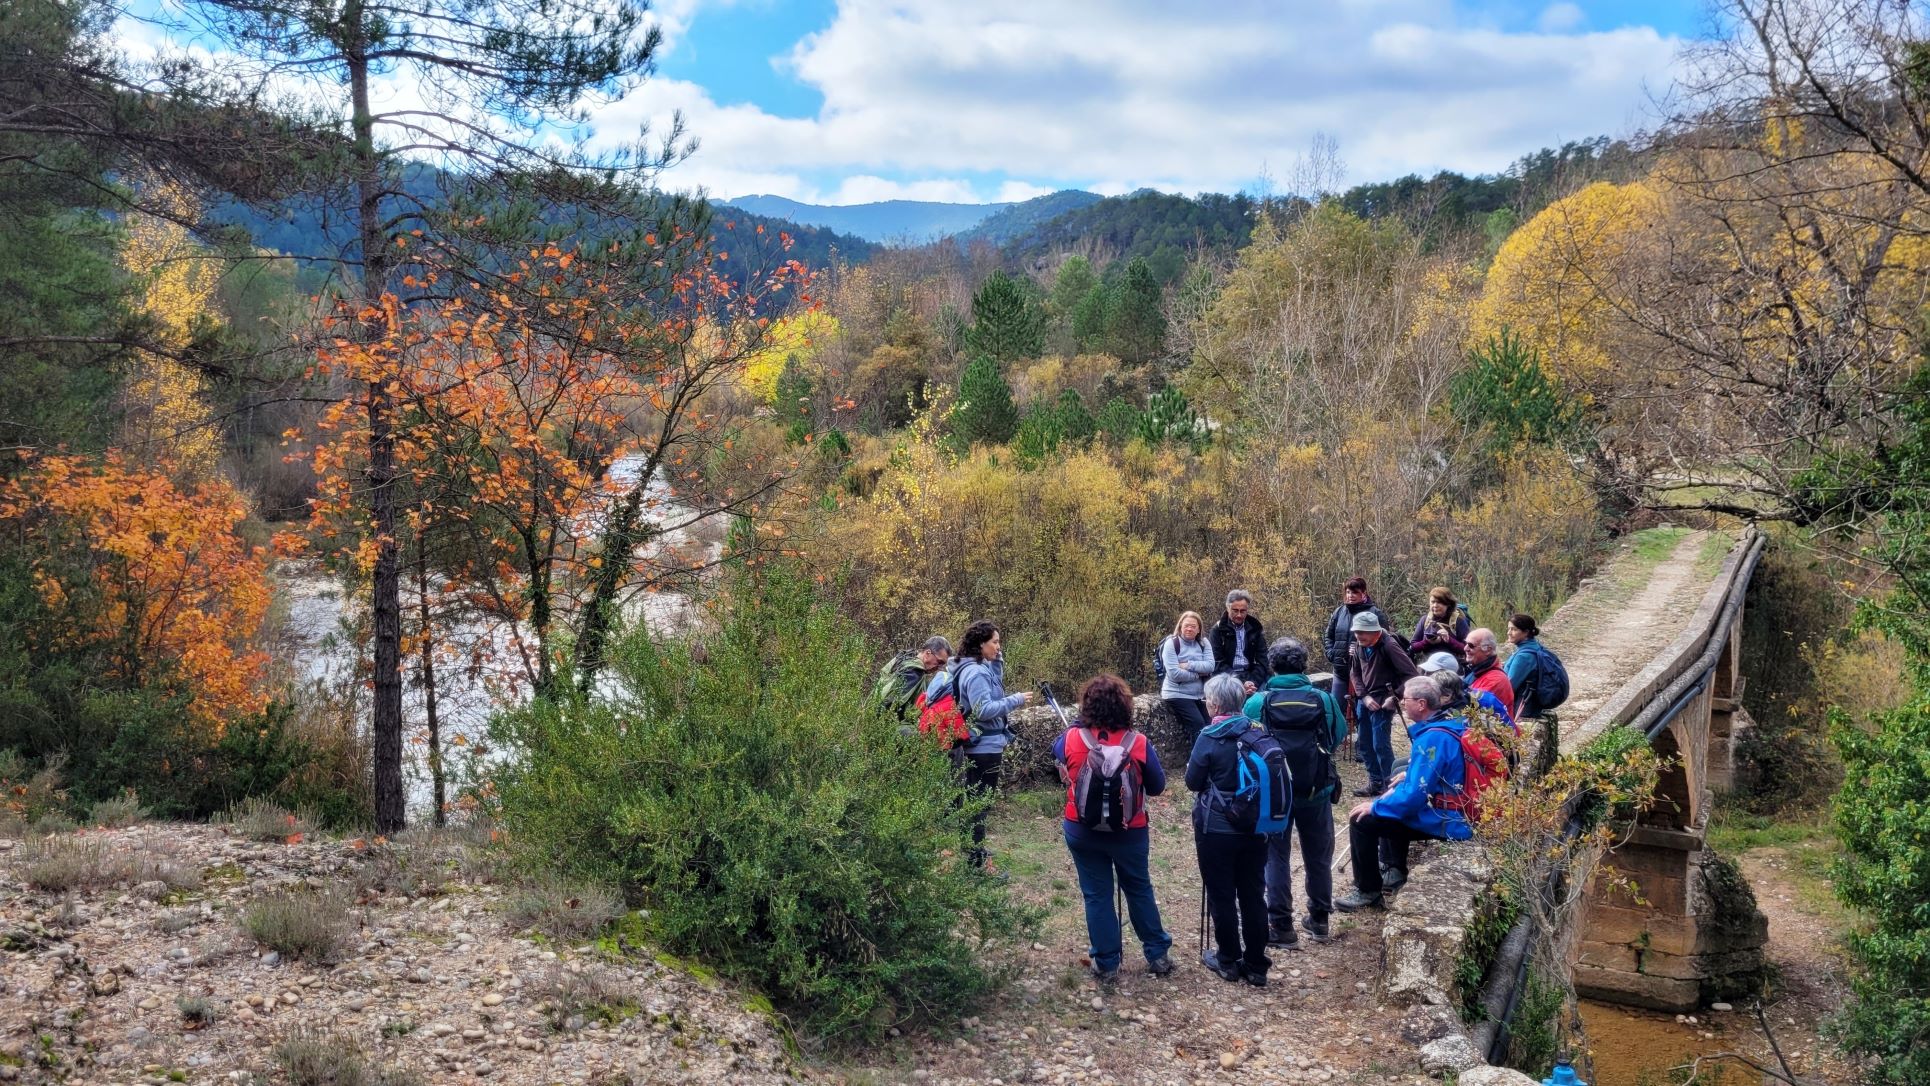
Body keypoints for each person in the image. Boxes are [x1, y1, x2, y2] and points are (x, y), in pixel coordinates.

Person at [1053, 675, 1176, 982]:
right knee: (1138, 887)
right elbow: (1158, 787)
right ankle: (1157, 954)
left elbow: (1059, 757)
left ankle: (1106, 963)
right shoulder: (1138, 743)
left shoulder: (1071, 739)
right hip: (1130, 831)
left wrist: (1075, 728)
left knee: (1097, 894)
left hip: (1082, 830)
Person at [1334, 677, 1474, 910]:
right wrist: (1407, 776)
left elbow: (1412, 798)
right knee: (1391, 799)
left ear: (1421, 704)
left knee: (1363, 820)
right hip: (1459, 812)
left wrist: (1376, 806)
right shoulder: (1452, 723)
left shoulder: (1432, 738)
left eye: (1405, 699)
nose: (1401, 703)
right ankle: (1393, 870)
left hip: (1449, 821)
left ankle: (1368, 891)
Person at [1244, 637, 1345, 946]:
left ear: (1272, 667)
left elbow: (1246, 746)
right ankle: (1319, 921)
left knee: (1276, 855)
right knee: (1318, 855)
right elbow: (1337, 735)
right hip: (1316, 791)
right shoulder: (1324, 700)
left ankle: (1281, 926)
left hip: (1274, 794)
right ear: (1303, 666)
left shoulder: (1258, 702)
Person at [1186, 674, 1272, 986]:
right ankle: (1256, 965)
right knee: (1253, 894)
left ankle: (1228, 960)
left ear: (1215, 704)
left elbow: (1193, 782)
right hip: (1256, 828)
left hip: (1218, 830)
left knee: (1221, 893)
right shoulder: (1258, 731)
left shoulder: (1209, 736)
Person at [954, 620, 1032, 871]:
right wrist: (1016, 700)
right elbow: (984, 709)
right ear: (980, 644)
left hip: (984, 744)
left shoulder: (978, 667)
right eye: (995, 642)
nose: (999, 646)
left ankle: (973, 850)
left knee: (977, 799)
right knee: (980, 802)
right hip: (984, 746)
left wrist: (997, 661)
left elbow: (992, 692)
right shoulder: (976, 672)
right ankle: (974, 860)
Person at [1348, 610, 1418, 796]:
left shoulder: (1390, 645)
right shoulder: (1361, 644)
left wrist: (1394, 697)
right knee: (1364, 743)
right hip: (1366, 701)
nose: (1358, 636)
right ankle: (1376, 783)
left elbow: (1411, 675)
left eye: (1362, 632)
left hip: (1383, 701)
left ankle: (1391, 787)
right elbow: (1354, 673)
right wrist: (1364, 696)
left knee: (1380, 744)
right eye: (1356, 632)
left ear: (1375, 631)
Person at [1321, 577, 1390, 727]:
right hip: (1340, 669)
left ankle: (1362, 744)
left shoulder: (1374, 613)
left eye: (1354, 592)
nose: (1350, 595)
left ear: (1363, 593)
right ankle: (1336, 741)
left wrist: (1362, 648)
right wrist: (1331, 653)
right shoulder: (1339, 612)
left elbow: (1385, 640)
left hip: (1364, 673)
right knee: (1336, 707)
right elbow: (1328, 635)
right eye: (1348, 592)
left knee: (1362, 712)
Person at [1159, 611, 1217, 748]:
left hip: (1198, 695)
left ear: (1198, 629)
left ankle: (1210, 759)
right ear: (1180, 627)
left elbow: (1210, 666)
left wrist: (1188, 665)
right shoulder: (1171, 644)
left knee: (1212, 723)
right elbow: (1175, 674)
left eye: (1193, 626)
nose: (1189, 629)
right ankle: (1196, 762)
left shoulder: (1203, 643)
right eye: (1186, 626)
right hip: (1176, 693)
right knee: (1198, 724)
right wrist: (1198, 674)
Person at [1420, 652, 1515, 733]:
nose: (1424, 676)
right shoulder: (1463, 694)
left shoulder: (1477, 701)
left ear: (1445, 675)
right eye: (1424, 672)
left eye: (1429, 673)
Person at [880, 636, 953, 722]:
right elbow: (890, 704)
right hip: (884, 723)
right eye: (939, 662)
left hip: (870, 711)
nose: (939, 667)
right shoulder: (913, 672)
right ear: (928, 653)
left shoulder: (905, 658)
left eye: (942, 664)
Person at [1209, 590, 1268, 694]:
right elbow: (1217, 663)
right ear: (1227, 608)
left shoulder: (1255, 628)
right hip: (1226, 677)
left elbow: (1263, 660)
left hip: (1252, 676)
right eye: (1235, 611)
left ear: (1247, 610)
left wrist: (1252, 682)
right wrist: (1239, 682)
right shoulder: (1218, 630)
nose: (1239, 615)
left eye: (1243, 611)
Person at [1503, 613, 1550, 720]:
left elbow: (1509, 686)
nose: (1509, 633)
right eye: (1509, 629)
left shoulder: (1524, 657)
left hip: (1523, 708)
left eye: (1514, 629)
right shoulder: (1534, 646)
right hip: (1530, 705)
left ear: (1526, 632)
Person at [1408, 587, 1470, 665]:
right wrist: (1427, 642)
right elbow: (1413, 646)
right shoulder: (1425, 620)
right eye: (1432, 602)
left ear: (1448, 604)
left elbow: (1468, 649)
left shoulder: (1458, 621)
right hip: (1427, 666)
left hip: (1452, 667)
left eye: (1439, 602)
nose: (1435, 605)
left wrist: (1449, 640)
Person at [1462, 628, 1516, 712]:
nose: (1465, 648)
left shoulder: (1495, 680)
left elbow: (1469, 709)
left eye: (1471, 645)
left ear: (1488, 650)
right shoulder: (1478, 670)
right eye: (1465, 644)